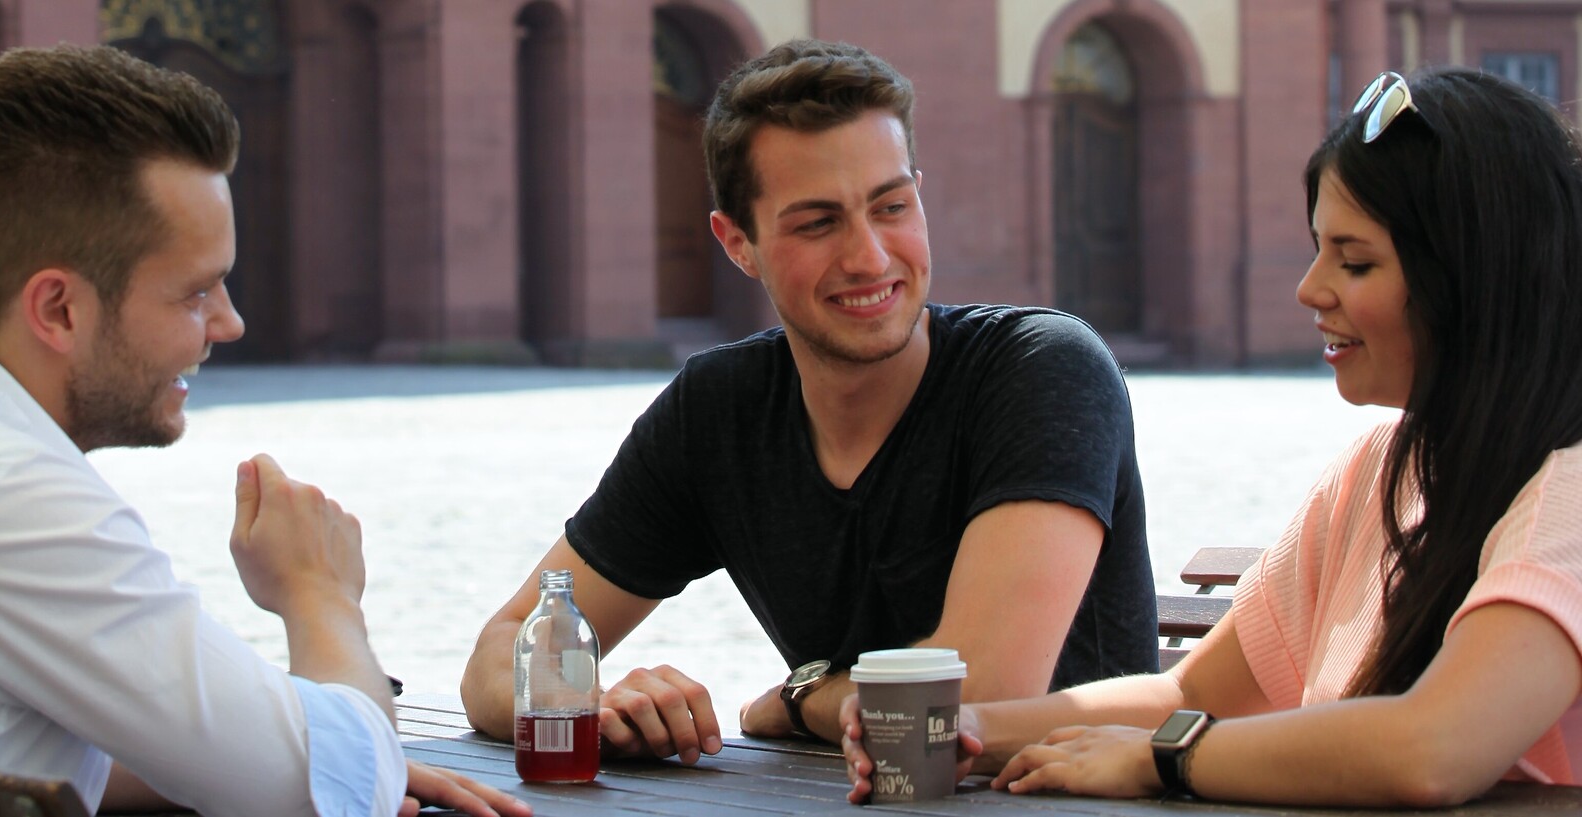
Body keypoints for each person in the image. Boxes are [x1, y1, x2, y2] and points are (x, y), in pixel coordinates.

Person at [0, 45, 526, 817]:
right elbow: (310, 800)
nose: (228, 323)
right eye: (196, 291)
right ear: (59, 308)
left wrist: (315, 739)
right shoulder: (10, 490)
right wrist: (321, 600)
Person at [840, 67, 1582, 807]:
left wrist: (1168, 760)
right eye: (1319, 249)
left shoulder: (1568, 494)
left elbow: (1434, 747)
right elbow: (1192, 689)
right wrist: (964, 723)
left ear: (1475, 274)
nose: (1310, 287)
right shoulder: (1382, 468)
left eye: (1355, 261)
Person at [459, 38, 1157, 761]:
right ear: (737, 243)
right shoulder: (719, 411)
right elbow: (501, 650)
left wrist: (802, 696)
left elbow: (970, 702)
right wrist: (584, 701)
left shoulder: (1042, 368)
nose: (870, 256)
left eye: (891, 206)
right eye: (818, 223)